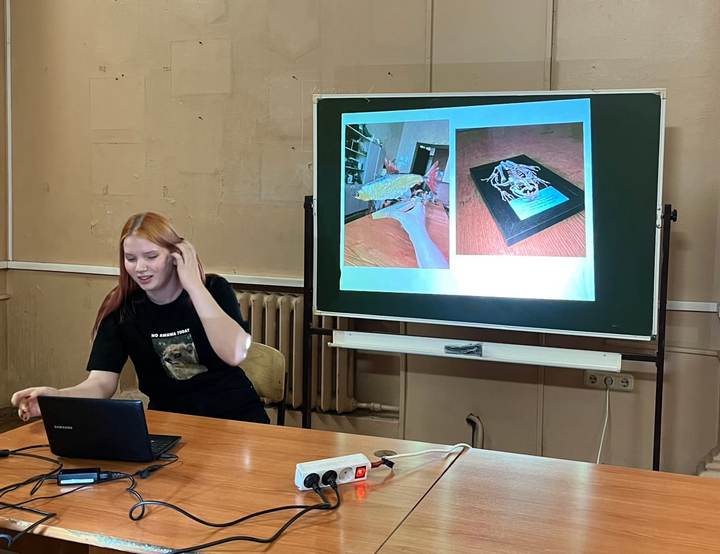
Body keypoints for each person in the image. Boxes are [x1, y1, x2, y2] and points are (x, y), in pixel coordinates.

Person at [11, 212, 270, 424]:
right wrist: (57, 397)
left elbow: (235, 354)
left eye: (151, 256)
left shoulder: (214, 289)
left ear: (176, 256)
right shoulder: (121, 309)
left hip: (235, 416)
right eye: (131, 259)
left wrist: (194, 286)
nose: (140, 268)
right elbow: (101, 384)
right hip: (171, 421)